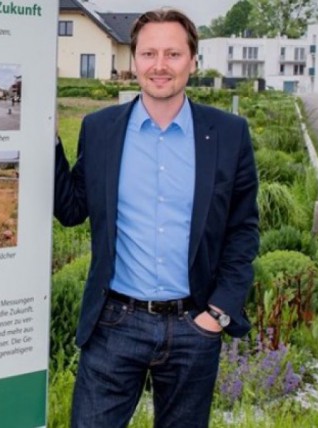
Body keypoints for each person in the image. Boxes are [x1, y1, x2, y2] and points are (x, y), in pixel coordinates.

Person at [53, 8, 259, 428]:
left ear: (192, 61)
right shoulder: (100, 128)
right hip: (115, 324)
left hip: (194, 326)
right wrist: (46, 137)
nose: (159, 66)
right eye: (148, 54)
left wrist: (217, 314)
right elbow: (72, 210)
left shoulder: (228, 134)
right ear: (134, 61)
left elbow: (243, 231)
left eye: (172, 54)